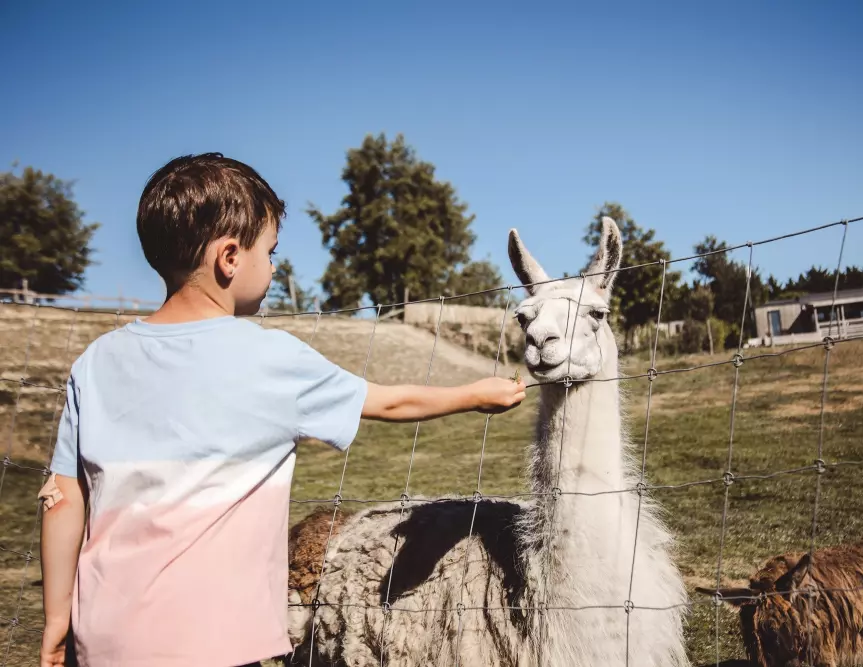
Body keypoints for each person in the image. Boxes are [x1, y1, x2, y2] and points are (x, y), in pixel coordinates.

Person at [37, 153, 527, 667]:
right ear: (230, 257)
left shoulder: (95, 362)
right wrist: (475, 394)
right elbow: (390, 400)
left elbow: (62, 499)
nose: (274, 267)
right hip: (215, 642)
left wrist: (55, 619)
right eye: (270, 252)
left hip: (104, 637)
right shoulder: (272, 359)